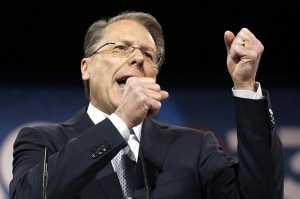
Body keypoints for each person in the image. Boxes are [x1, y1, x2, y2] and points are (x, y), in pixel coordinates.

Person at [9, 10, 284, 199]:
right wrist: (120, 122)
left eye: (148, 54)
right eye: (120, 48)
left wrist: (246, 87)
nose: (138, 59)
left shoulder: (194, 146)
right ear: (87, 67)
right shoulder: (43, 141)